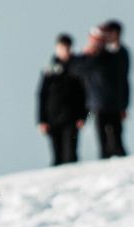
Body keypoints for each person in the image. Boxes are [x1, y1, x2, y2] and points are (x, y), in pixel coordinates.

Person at [71, 21, 131, 159]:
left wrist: (124, 105)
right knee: (103, 142)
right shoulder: (94, 56)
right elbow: (76, 69)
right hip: (98, 104)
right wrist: (88, 52)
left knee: (116, 139)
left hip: (114, 104)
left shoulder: (117, 54)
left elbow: (122, 79)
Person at [37, 34, 87, 166]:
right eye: (61, 47)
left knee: (70, 155)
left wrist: (83, 116)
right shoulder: (49, 71)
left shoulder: (78, 68)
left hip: (72, 118)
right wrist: (41, 120)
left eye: (66, 47)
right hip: (53, 118)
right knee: (57, 157)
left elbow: (84, 94)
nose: (64, 50)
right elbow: (42, 96)